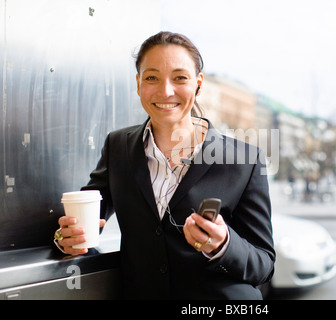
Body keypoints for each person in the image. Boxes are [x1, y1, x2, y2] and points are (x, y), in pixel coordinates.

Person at [54, 31, 275, 299]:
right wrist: (67, 237)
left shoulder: (244, 160)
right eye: (151, 78)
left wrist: (223, 244)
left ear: (197, 83)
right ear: (138, 84)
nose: (165, 91)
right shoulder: (118, 147)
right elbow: (87, 214)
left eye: (180, 77)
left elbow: (263, 264)